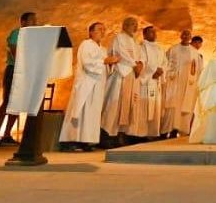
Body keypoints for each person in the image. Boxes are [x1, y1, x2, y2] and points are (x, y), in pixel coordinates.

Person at [60, 22, 121, 151]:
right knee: (81, 112)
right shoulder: (86, 44)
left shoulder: (103, 49)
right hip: (86, 84)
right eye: (99, 29)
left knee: (92, 114)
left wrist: (111, 64)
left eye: (104, 29)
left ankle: (87, 141)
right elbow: (88, 64)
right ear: (91, 32)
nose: (102, 32)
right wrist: (105, 61)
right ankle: (72, 141)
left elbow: (106, 68)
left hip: (98, 86)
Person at [0, 11, 36, 145]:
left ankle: (7, 135)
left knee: (18, 104)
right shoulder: (17, 33)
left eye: (35, 20)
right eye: (32, 20)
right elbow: (14, 51)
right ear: (23, 22)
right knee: (8, 102)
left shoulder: (33, 37)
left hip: (25, 72)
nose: (35, 23)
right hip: (14, 70)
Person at [101, 16, 145, 146]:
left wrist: (141, 64)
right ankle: (108, 135)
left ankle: (122, 134)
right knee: (115, 105)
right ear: (124, 26)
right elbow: (121, 53)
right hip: (121, 74)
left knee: (128, 105)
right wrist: (134, 64)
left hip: (131, 75)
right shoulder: (119, 38)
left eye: (136, 24)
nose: (135, 27)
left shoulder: (135, 42)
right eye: (132, 24)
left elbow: (140, 56)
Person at [129, 25, 167, 140]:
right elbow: (142, 62)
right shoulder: (141, 47)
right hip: (145, 82)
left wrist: (161, 70)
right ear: (144, 34)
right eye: (151, 32)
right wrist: (153, 71)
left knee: (154, 108)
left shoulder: (160, 48)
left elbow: (165, 62)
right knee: (143, 108)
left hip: (156, 81)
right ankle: (140, 134)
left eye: (155, 32)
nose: (154, 34)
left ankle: (152, 133)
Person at [162, 30, 198, 137]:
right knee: (173, 107)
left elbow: (198, 68)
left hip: (188, 83)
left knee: (185, 107)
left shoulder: (194, 52)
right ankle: (171, 129)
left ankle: (183, 130)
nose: (186, 36)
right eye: (184, 34)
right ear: (181, 36)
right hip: (175, 82)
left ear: (190, 37)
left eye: (188, 34)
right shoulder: (173, 49)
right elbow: (165, 63)